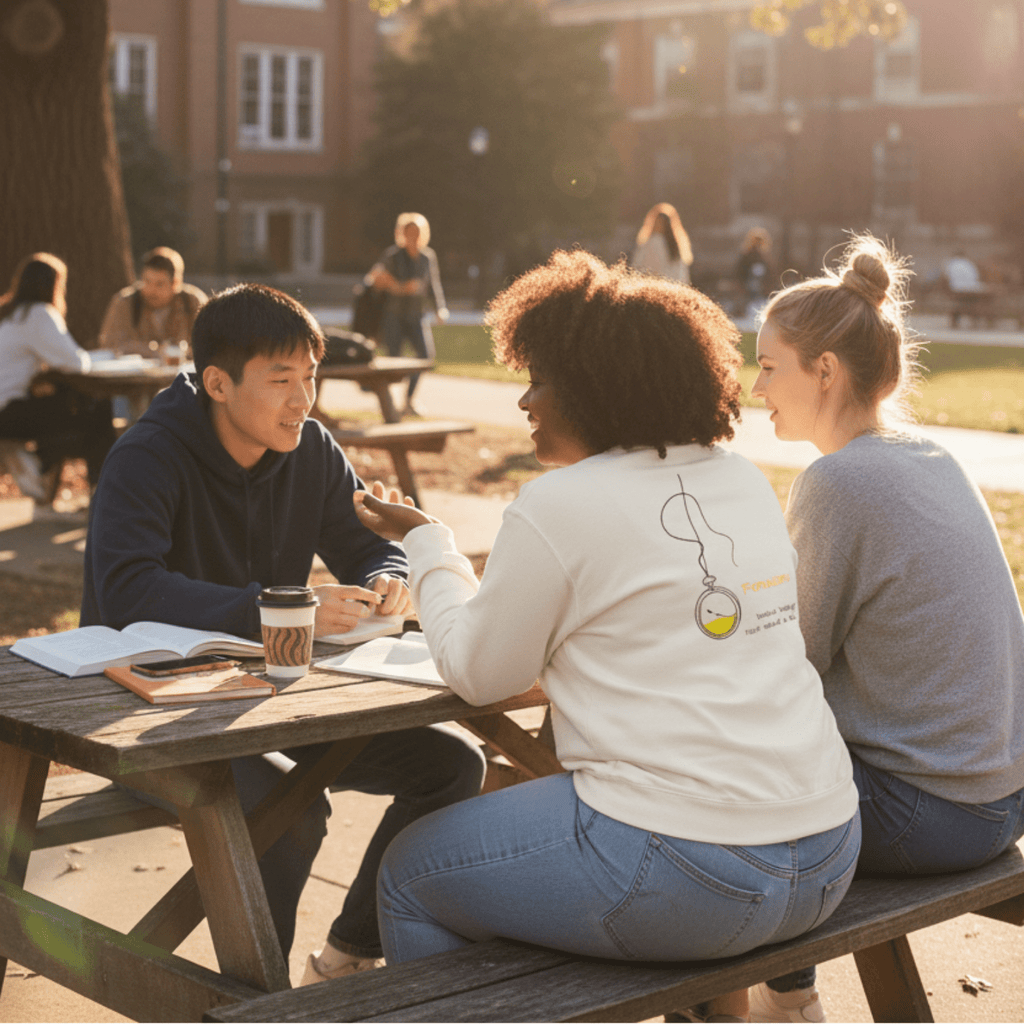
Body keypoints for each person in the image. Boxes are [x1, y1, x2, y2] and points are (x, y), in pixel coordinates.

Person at [351, 250, 861, 1023]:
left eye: (541, 379)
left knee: (412, 872)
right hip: (827, 852)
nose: (525, 399)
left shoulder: (560, 503)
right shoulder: (741, 480)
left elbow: (479, 674)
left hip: (692, 871)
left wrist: (428, 543)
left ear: (596, 388)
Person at [81, 283, 486, 976]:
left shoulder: (311, 448)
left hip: (281, 700)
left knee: (452, 766)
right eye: (281, 381)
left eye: (311, 378)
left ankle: (348, 957)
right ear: (217, 383)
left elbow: (371, 543)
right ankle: (256, 1000)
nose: (305, 400)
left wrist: (391, 575)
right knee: (290, 813)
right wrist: (274, 608)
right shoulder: (148, 455)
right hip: (148, 714)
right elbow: (125, 591)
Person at [747, 235, 1024, 1023]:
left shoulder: (838, 481)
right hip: (1003, 797)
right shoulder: (934, 456)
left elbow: (790, 664)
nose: (756, 385)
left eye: (770, 366)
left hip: (931, 814)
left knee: (714, 779)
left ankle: (783, 1000)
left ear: (824, 371)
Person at [0, 253, 115, 502]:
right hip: (8, 412)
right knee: (97, 410)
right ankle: (99, 493)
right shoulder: (38, 314)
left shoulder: (9, 313)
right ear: (53, 285)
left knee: (68, 408)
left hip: (9, 409)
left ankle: (36, 465)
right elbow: (76, 363)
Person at [369, 213, 448, 417]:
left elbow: (433, 285)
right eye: (408, 231)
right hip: (393, 315)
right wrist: (402, 287)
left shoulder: (427, 257)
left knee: (425, 356)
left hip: (417, 315)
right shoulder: (392, 255)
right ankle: (389, 404)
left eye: (416, 232)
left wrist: (440, 308)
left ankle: (409, 400)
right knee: (394, 361)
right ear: (402, 233)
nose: (412, 235)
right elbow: (376, 279)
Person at [98, 246, 206, 358]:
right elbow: (109, 345)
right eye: (147, 281)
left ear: (176, 283)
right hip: (134, 375)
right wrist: (155, 352)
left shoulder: (193, 302)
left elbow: (210, 345)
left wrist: (182, 353)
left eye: (160, 284)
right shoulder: (124, 302)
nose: (151, 290)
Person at [631, 202, 694, 284]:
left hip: (654, 289)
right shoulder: (678, 246)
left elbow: (641, 268)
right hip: (675, 290)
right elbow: (684, 276)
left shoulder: (654, 242)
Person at [734, 228, 773, 318]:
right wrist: (740, 286)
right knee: (747, 311)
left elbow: (770, 274)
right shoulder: (746, 256)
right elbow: (739, 273)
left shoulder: (765, 257)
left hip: (761, 289)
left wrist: (768, 286)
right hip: (747, 287)